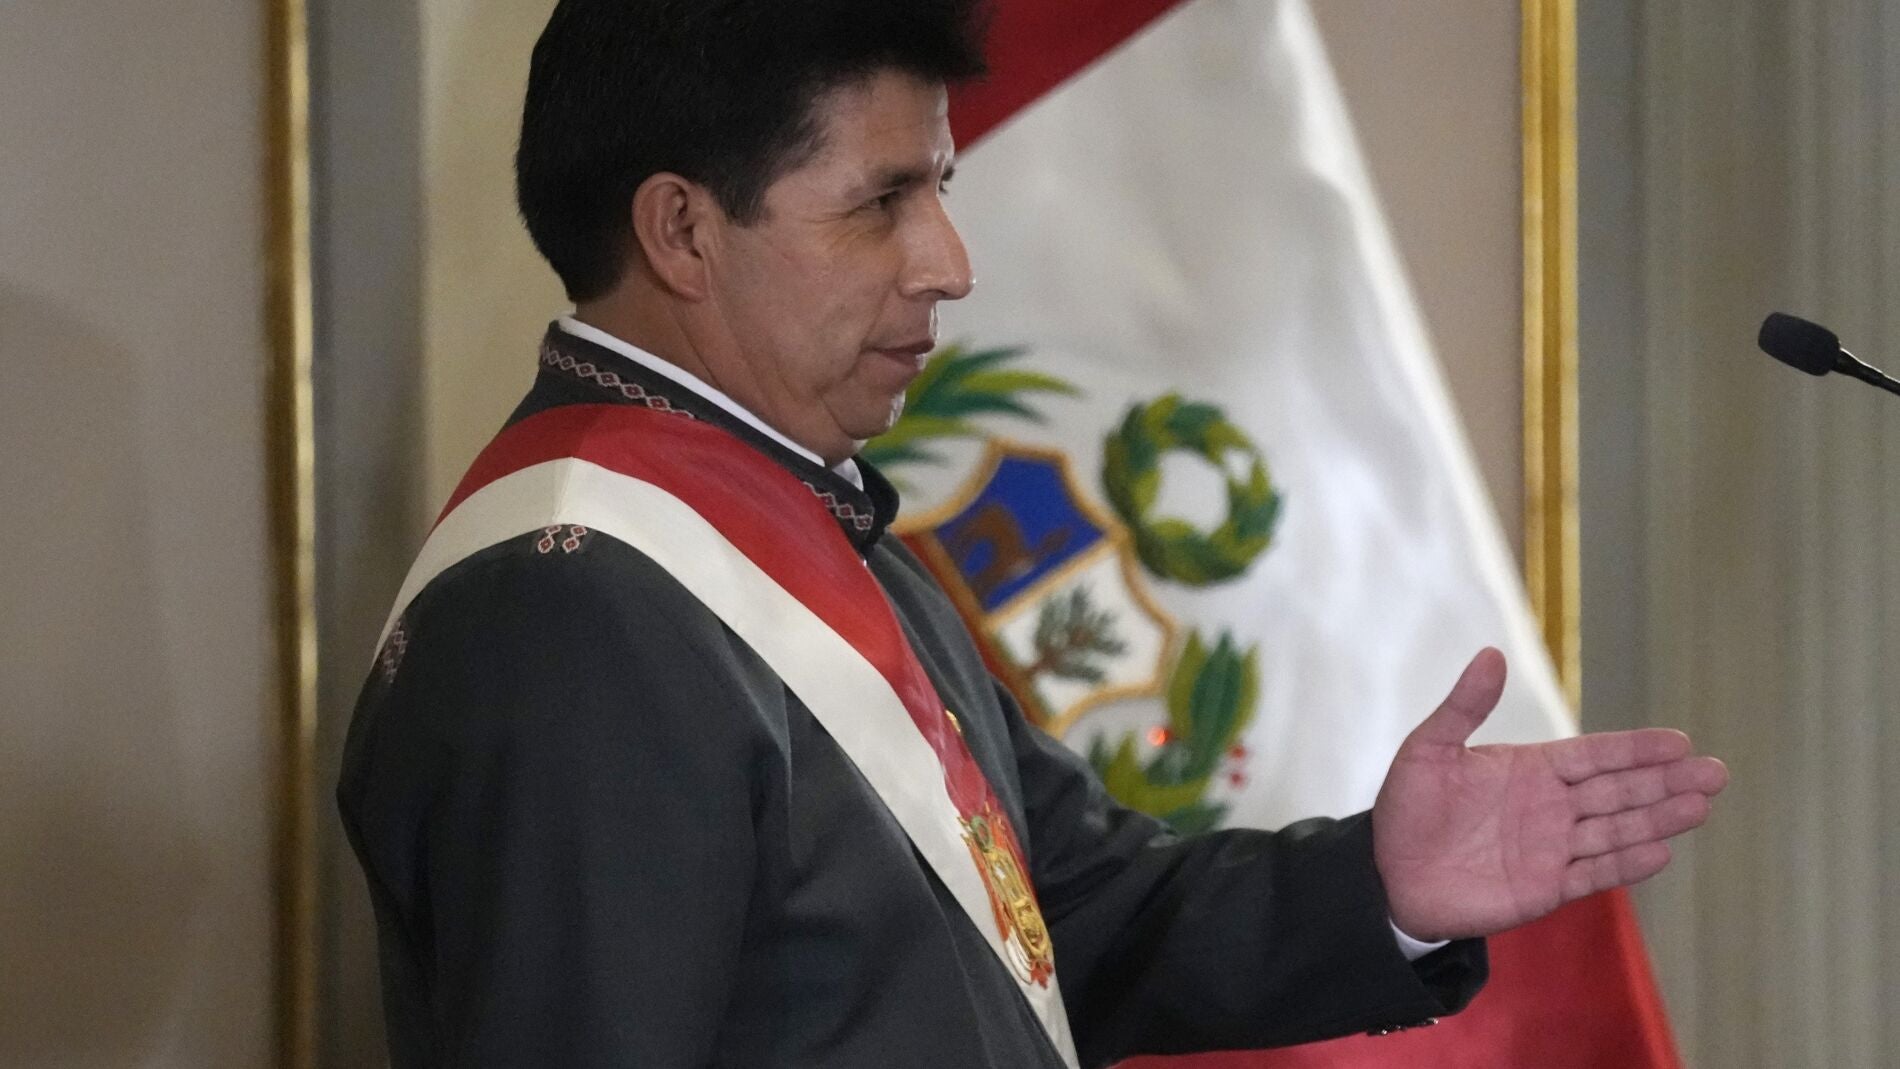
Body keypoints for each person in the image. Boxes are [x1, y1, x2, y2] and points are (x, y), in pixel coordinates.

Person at [336, 2, 1728, 1067]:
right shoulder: (571, 605)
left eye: (939, 189)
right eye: (883, 202)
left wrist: (1381, 885)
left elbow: (1071, 917)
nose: (949, 262)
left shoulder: (815, 521)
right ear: (682, 231)